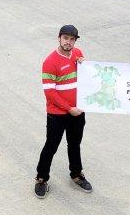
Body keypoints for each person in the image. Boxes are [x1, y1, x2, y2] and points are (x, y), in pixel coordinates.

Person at [35, 24, 93, 198]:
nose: (68, 42)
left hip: (78, 111)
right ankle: (41, 178)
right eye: (65, 38)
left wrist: (85, 64)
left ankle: (76, 174)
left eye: (72, 39)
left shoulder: (78, 54)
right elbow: (50, 93)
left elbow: (85, 77)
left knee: (74, 144)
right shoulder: (50, 62)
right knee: (51, 146)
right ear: (59, 38)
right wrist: (69, 109)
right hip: (57, 114)